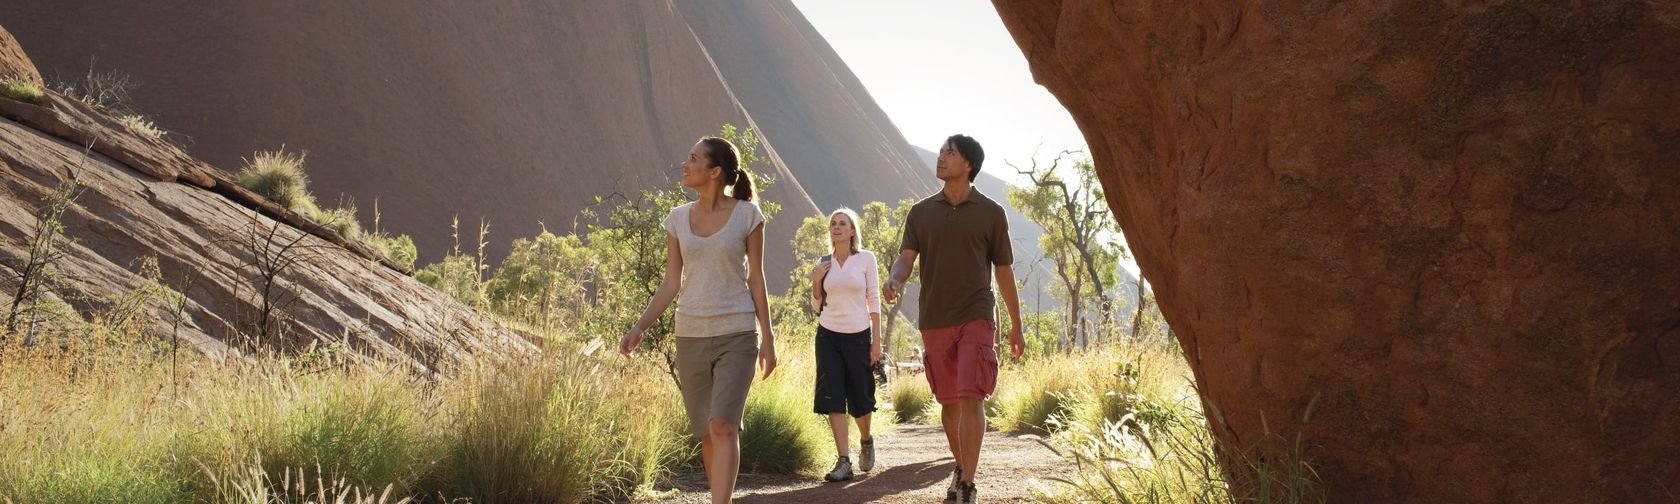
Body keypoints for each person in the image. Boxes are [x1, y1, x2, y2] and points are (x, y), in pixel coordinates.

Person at [620, 136, 777, 504]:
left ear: (714, 170)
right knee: (708, 432)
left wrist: (767, 337)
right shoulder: (677, 218)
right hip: (690, 333)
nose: (685, 164)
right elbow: (671, 283)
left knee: (723, 424)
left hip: (737, 331)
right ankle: (717, 496)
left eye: (693, 159)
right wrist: (638, 328)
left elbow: (756, 278)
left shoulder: (748, 216)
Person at [883, 134, 1024, 504]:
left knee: (971, 395)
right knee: (948, 404)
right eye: (942, 151)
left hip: (977, 314)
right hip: (935, 317)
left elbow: (1005, 271)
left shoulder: (992, 213)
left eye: (950, 153)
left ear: (968, 165)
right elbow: (906, 257)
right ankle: (961, 466)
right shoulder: (921, 212)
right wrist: (895, 277)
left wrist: (1016, 324)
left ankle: (968, 483)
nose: (941, 157)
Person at [808, 208, 882, 482]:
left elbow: (873, 300)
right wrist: (817, 280)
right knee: (833, 398)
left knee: (861, 399)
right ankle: (843, 461)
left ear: (852, 231)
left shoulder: (865, 259)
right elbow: (816, 305)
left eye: (843, 223)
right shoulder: (823, 262)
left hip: (859, 336)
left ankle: (866, 439)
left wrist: (877, 341)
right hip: (828, 336)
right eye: (833, 223)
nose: (837, 227)